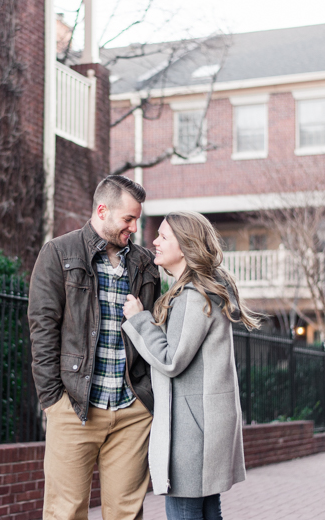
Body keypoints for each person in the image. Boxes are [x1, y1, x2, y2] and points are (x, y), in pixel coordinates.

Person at [28, 175, 161, 520]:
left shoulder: (145, 264)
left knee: (126, 514)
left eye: (137, 219)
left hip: (132, 410)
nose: (134, 227)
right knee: (65, 512)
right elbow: (42, 330)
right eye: (128, 219)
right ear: (102, 210)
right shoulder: (59, 253)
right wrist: (52, 400)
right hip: (74, 405)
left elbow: (153, 328)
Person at [121, 211, 260, 520]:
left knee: (186, 512)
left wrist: (138, 320)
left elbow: (172, 360)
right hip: (204, 426)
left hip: (192, 432)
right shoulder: (205, 292)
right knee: (209, 512)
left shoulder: (192, 296)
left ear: (184, 246)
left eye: (163, 237)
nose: (154, 242)